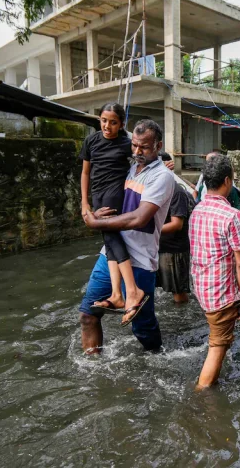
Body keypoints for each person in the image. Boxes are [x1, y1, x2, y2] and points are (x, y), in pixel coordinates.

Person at [78, 119, 175, 354]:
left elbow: (139, 218)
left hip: (140, 261)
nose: (137, 152)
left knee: (143, 328)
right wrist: (97, 211)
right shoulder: (131, 168)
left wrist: (97, 222)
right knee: (88, 315)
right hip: (111, 255)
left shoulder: (162, 176)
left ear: (158, 146)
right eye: (134, 146)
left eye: (144, 147)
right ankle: (93, 370)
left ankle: (157, 360)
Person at [189, 155, 240, 389]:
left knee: (217, 338)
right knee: (218, 346)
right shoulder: (232, 215)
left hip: (202, 290)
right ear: (227, 180)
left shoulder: (197, 211)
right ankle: (201, 394)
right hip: (221, 295)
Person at [79, 103, 146, 315]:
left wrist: (165, 163)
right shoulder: (91, 141)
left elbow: (144, 155)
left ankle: (132, 290)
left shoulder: (127, 143)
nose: (107, 126)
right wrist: (84, 203)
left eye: (113, 122)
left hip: (115, 193)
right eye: (104, 121)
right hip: (97, 195)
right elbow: (85, 173)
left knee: (111, 237)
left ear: (121, 124)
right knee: (109, 240)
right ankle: (117, 294)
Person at [156, 154, 194, 303]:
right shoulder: (155, 189)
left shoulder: (176, 191)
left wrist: (151, 229)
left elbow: (177, 224)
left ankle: (183, 323)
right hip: (158, 247)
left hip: (174, 251)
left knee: (178, 293)